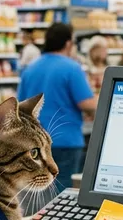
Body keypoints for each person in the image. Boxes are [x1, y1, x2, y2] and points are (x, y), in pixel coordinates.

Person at [18, 22, 96, 192]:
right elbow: (86, 103)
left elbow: (19, 105)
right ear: (68, 43)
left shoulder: (31, 68)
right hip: (66, 139)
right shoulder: (72, 68)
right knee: (63, 193)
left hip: (33, 143)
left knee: (37, 194)